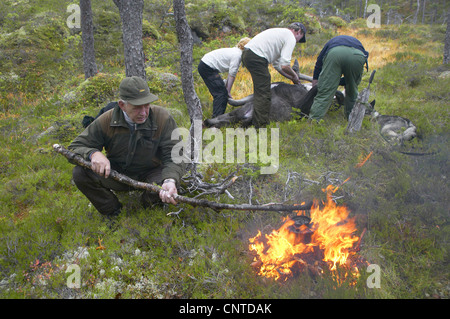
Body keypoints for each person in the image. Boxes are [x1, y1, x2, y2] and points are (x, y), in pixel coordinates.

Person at [69, 76, 184, 217]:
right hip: (117, 172)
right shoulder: (107, 119)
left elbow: (176, 155)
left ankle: (148, 209)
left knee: (169, 182)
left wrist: (170, 180)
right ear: (122, 105)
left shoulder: (162, 118)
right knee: (80, 173)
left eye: (146, 105)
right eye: (137, 107)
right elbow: (75, 146)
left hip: (153, 173)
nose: (143, 112)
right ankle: (113, 212)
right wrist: (93, 153)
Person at [241, 22, 306, 128]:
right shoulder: (290, 37)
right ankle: (260, 125)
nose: (297, 41)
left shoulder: (280, 34)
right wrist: (295, 76)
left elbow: (278, 65)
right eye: (300, 38)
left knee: (261, 89)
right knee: (264, 93)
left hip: (248, 53)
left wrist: (290, 77)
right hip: (256, 56)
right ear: (299, 31)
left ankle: (254, 119)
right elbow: (285, 65)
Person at [309, 35, 369, 121]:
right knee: (352, 91)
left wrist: (317, 82)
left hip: (335, 53)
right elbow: (353, 77)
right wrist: (346, 82)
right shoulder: (357, 43)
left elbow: (319, 63)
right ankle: (351, 120)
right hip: (357, 56)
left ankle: (314, 121)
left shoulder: (331, 42)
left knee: (325, 92)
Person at [198, 37, 251, 118]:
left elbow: (230, 74)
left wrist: (226, 87)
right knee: (221, 94)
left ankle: (218, 118)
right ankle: (216, 120)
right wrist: (228, 91)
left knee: (222, 93)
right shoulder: (237, 55)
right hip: (207, 67)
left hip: (206, 65)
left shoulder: (235, 51)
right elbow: (232, 75)